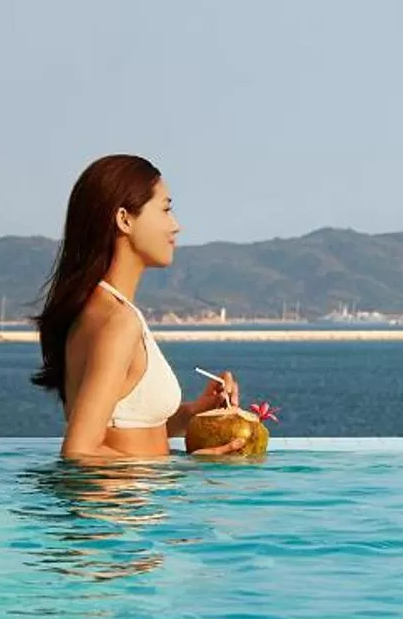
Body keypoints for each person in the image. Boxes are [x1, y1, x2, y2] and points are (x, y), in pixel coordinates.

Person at [31, 153, 249, 460]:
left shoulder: (99, 309)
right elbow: (79, 452)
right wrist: (184, 471)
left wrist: (193, 414)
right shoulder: (118, 321)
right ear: (124, 219)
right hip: (120, 507)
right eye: (165, 209)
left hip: (127, 503)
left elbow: (122, 429)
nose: (176, 226)